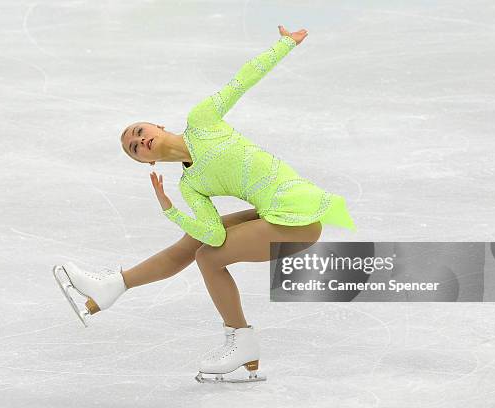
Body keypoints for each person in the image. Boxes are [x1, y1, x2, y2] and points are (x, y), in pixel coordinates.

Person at [53, 25, 356, 383]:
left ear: (158, 127)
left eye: (139, 132)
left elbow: (243, 80)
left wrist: (285, 44)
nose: (139, 141)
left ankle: (241, 340)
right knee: (195, 245)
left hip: (300, 217)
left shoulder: (202, 121)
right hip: (277, 216)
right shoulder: (191, 184)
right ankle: (115, 286)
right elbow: (211, 233)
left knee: (208, 259)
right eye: (133, 148)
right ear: (145, 163)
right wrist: (171, 209)